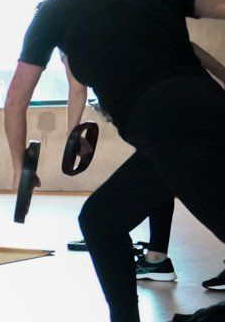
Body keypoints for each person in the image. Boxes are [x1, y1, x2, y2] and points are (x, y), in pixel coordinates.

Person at [5, 0, 225, 322]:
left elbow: (16, 100)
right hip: (205, 111)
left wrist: (19, 169)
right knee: (102, 218)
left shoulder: (55, 10)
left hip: (168, 126)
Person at [66, 49, 225, 288]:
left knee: (98, 217)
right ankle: (156, 258)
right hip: (197, 107)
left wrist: (73, 135)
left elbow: (77, 87)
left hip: (172, 114)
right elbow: (195, 51)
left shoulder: (75, 35)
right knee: (163, 174)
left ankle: (154, 264)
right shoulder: (141, 26)